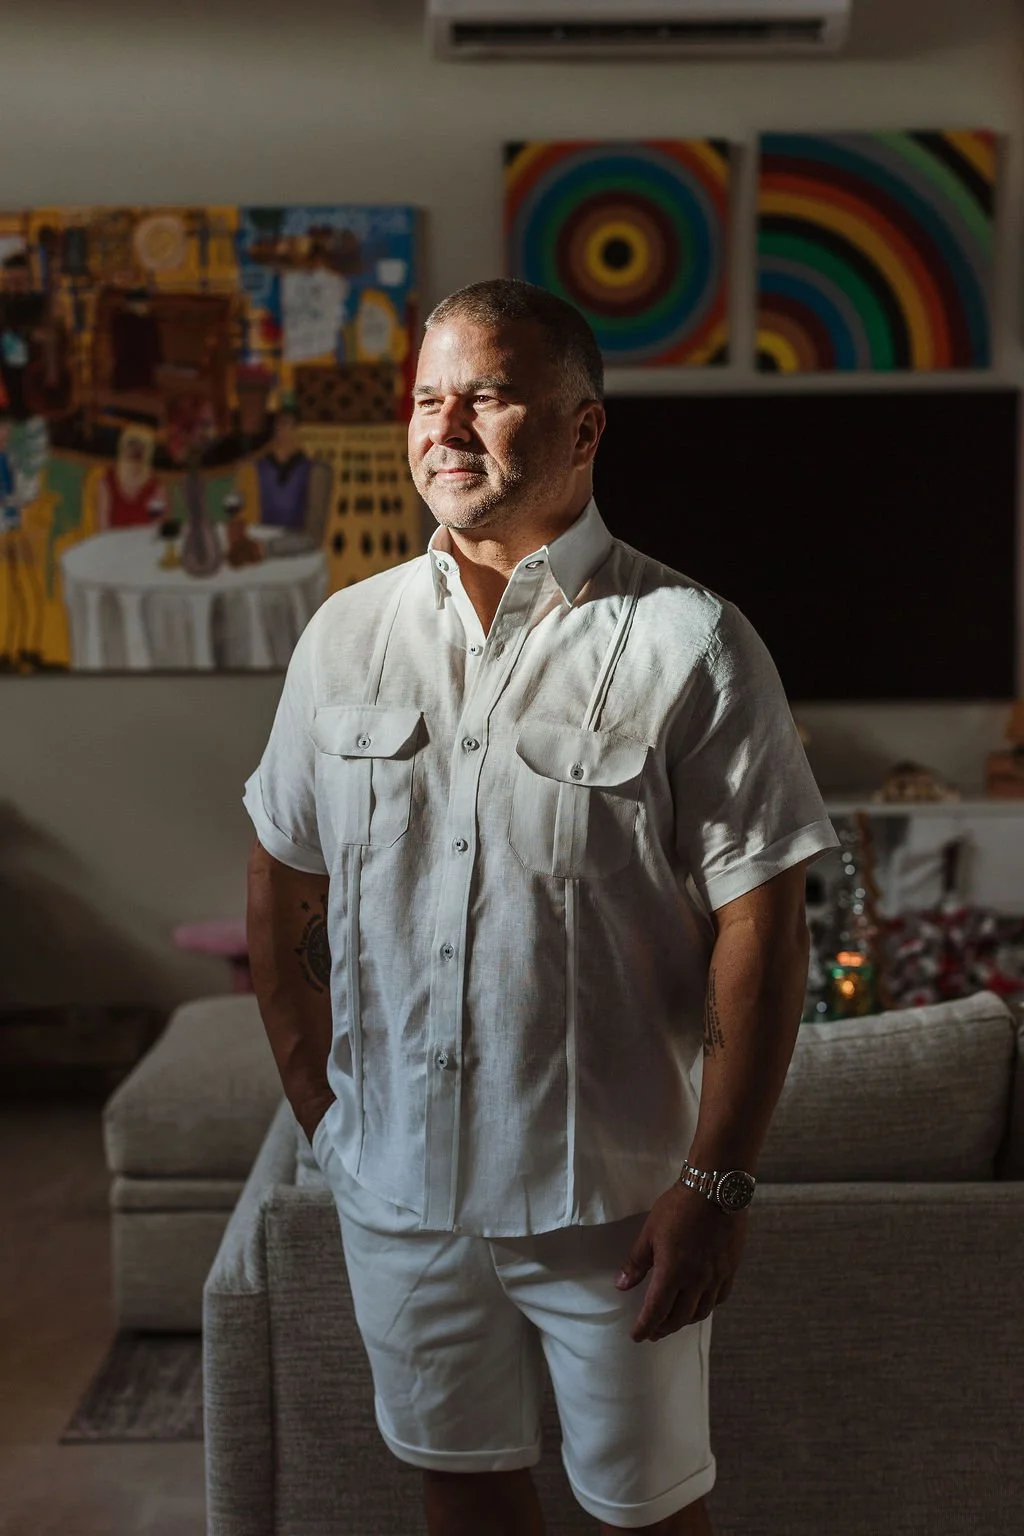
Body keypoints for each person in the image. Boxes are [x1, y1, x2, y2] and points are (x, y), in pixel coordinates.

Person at [244, 278, 838, 1535]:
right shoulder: (343, 638)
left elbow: (762, 920)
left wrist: (716, 1183)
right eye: (426, 397)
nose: (444, 427)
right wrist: (319, 1106)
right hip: (397, 1187)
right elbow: (286, 863)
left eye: (488, 396)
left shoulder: (692, 641)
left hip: (614, 1205)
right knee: (460, 1491)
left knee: (647, 1511)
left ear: (583, 429)